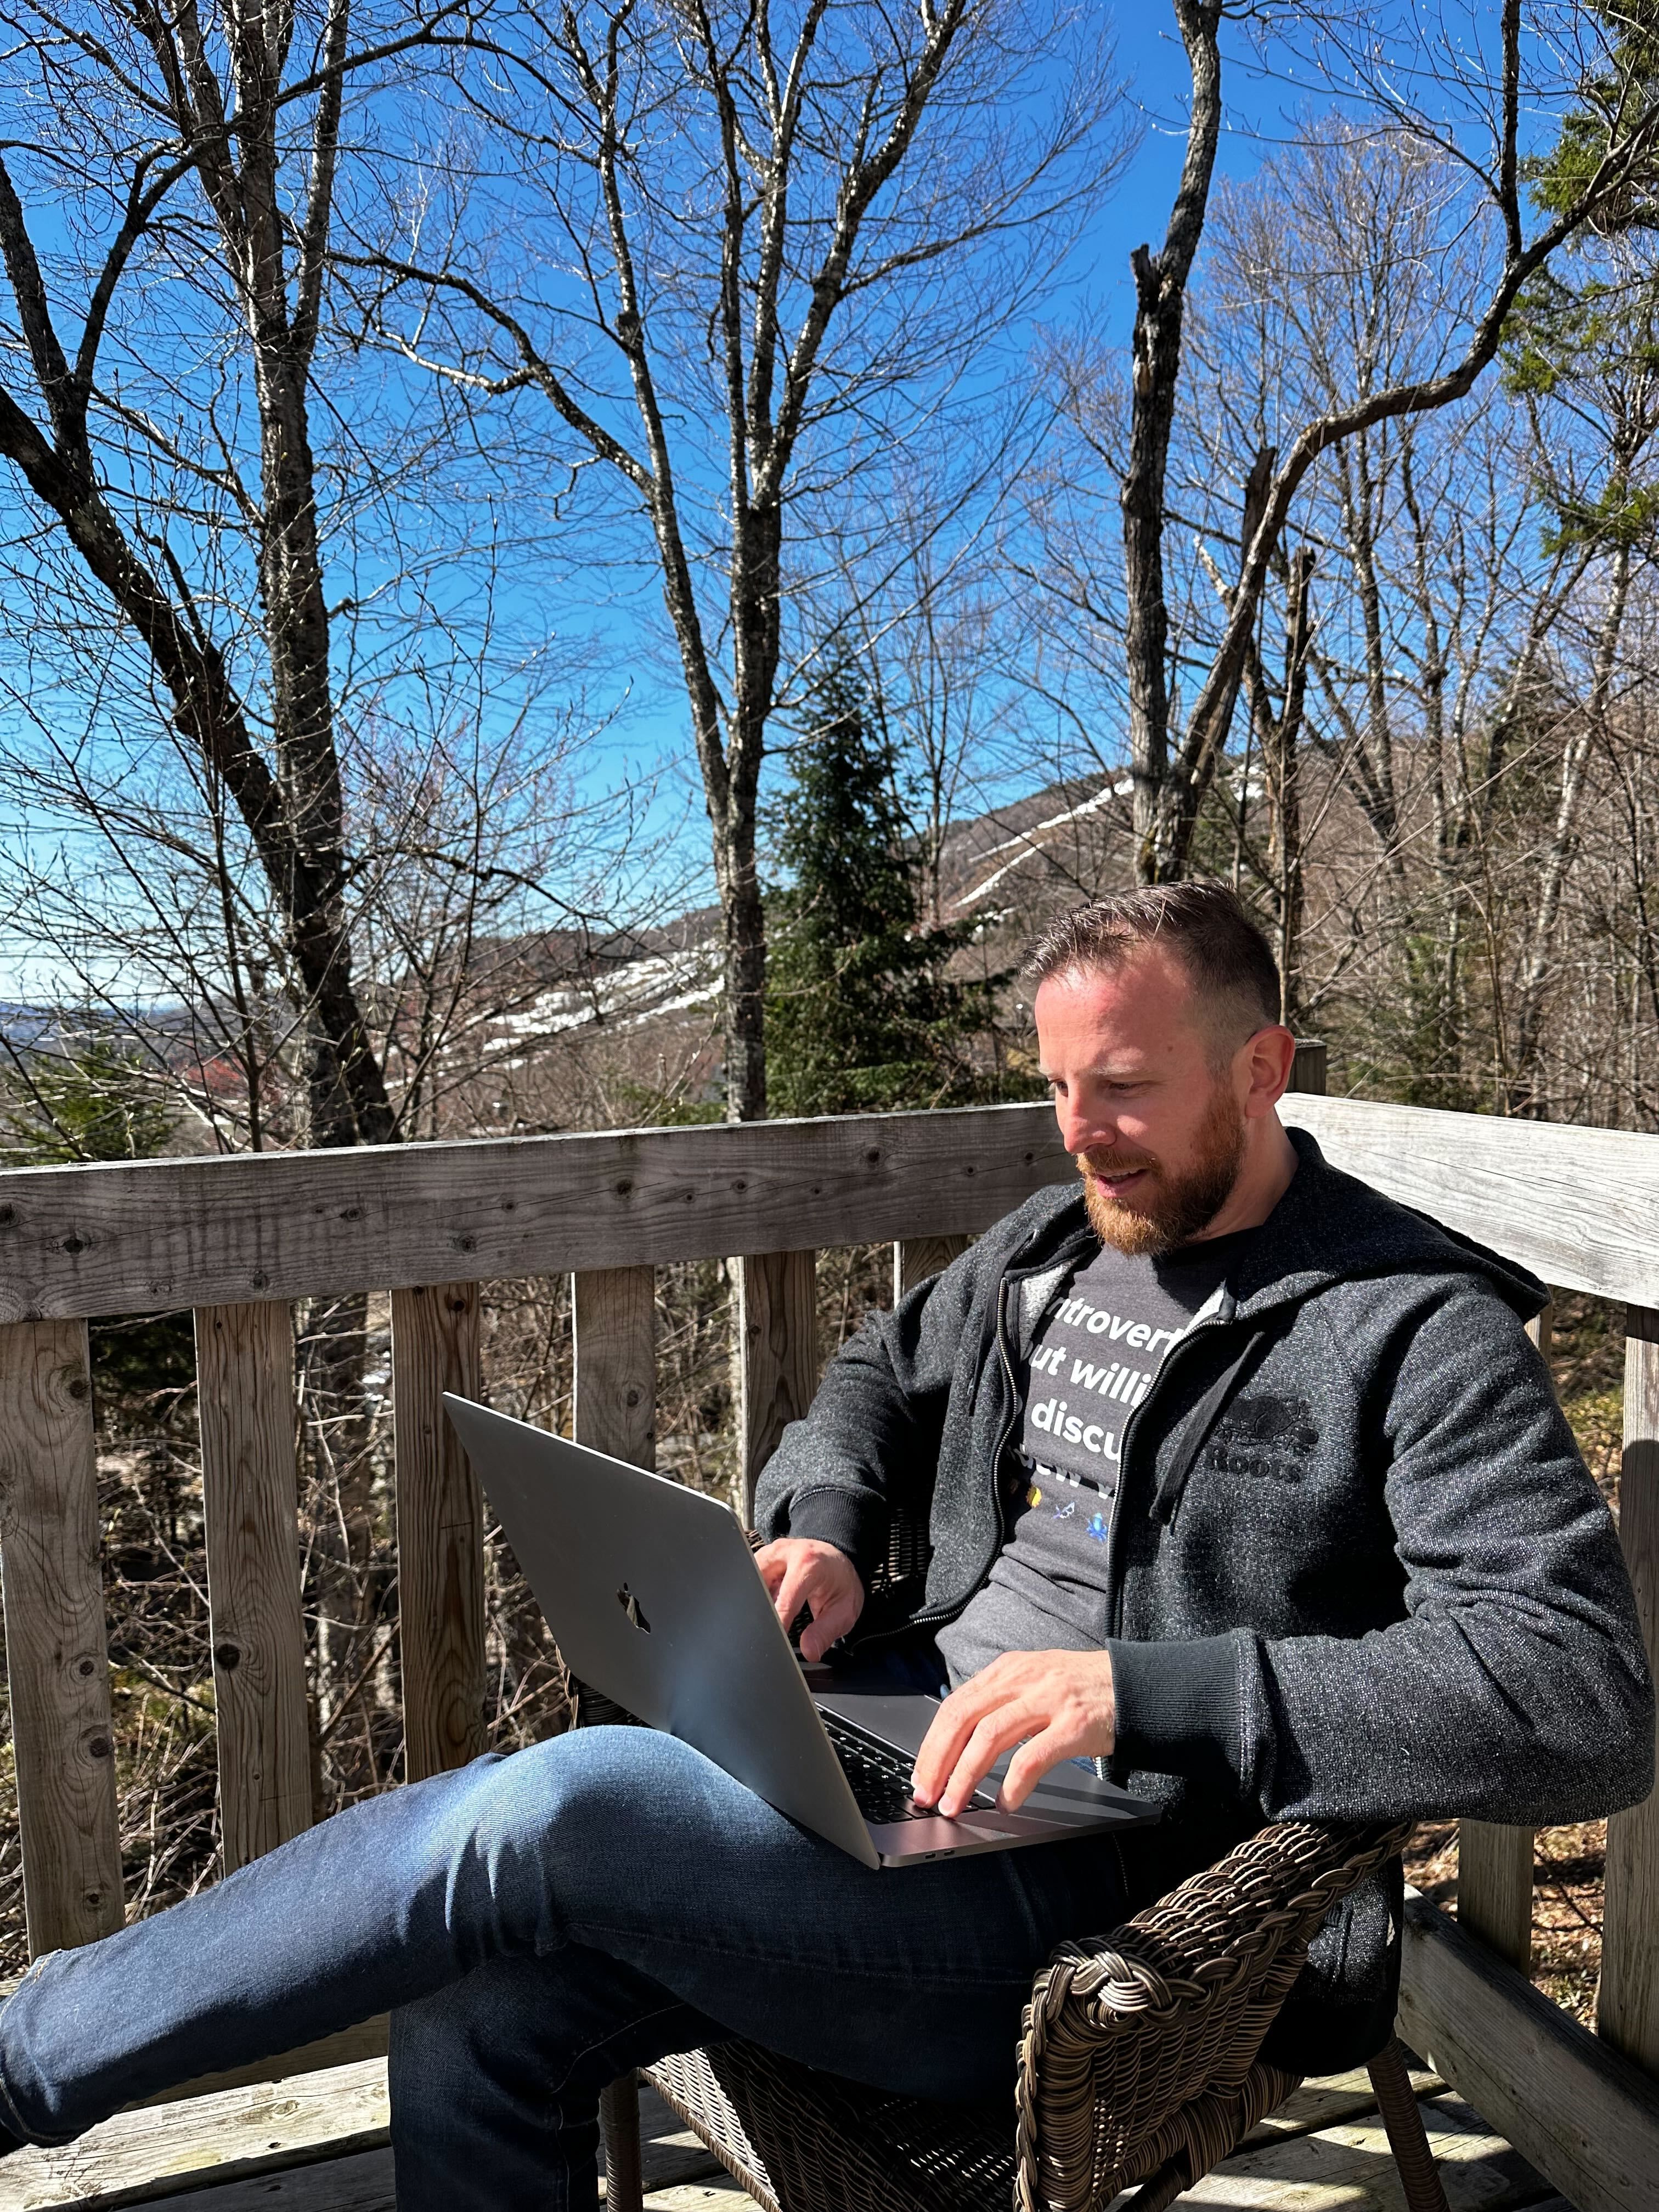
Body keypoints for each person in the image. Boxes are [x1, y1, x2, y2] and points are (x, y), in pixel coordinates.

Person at [0, 884, 1649, 2211]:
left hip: (1101, 1894)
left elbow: (1581, 1697)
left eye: (1125, 1088)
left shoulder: (1407, 1329)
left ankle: (23, 2064)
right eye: (1058, 1086)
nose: (1080, 1133)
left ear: (1263, 1068)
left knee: (551, 1809)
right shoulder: (1050, 1249)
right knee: (481, 1997)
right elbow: (868, 1381)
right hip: (889, 1769)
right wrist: (829, 1531)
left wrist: (1150, 1694)